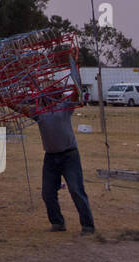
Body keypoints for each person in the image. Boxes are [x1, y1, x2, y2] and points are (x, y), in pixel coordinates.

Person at [19, 90, 95, 235]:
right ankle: (57, 223)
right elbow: (19, 108)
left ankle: (88, 226)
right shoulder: (38, 112)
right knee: (47, 193)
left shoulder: (64, 107)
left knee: (76, 190)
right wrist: (4, 99)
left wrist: (75, 82)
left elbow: (75, 95)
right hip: (51, 157)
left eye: (52, 93)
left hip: (69, 155)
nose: (47, 96)